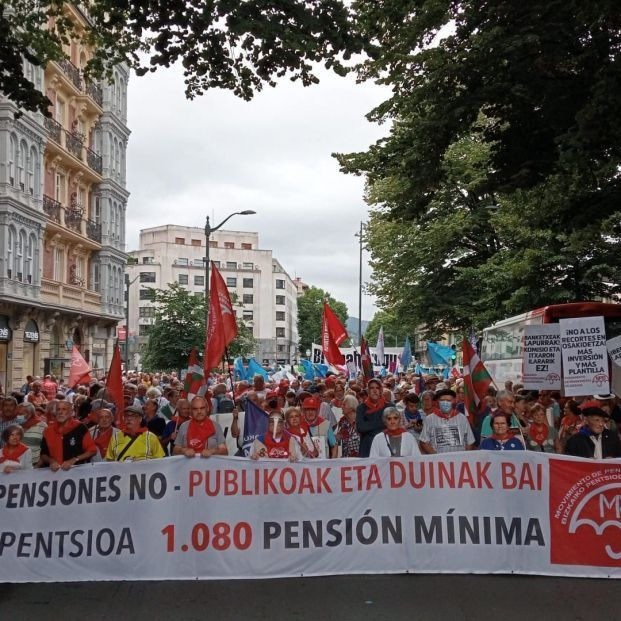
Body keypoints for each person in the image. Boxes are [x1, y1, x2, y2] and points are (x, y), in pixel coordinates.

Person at [40, 400, 97, 470]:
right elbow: (43, 454)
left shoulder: (80, 427)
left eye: (64, 409)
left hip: (76, 473)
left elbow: (92, 450)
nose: (60, 412)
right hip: (53, 475)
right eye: (58, 409)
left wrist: (74, 459)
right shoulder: (48, 431)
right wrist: (51, 461)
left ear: (71, 412)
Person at [419, 389, 475, 454]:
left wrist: (464, 457)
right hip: (439, 462)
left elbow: (470, 441)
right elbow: (423, 442)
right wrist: (436, 457)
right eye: (442, 400)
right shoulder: (429, 419)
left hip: (458, 461)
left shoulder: (462, 418)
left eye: (448, 400)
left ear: (454, 401)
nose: (445, 402)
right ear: (438, 401)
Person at [356, 378, 395, 457]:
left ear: (381, 390)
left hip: (386, 446)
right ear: (368, 391)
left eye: (377, 388)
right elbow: (361, 427)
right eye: (371, 388)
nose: (374, 390)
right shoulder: (361, 408)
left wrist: (368, 426)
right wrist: (383, 422)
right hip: (367, 447)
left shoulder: (389, 406)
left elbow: (392, 425)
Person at [18, 402, 47, 466]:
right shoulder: (15, 425)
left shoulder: (42, 426)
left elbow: (46, 449)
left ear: (30, 414)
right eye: (17, 413)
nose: (18, 416)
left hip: (34, 464)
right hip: (16, 465)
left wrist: (37, 466)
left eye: (21, 414)